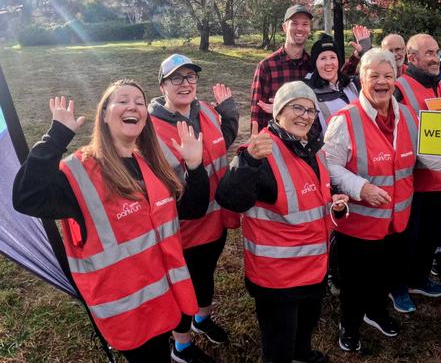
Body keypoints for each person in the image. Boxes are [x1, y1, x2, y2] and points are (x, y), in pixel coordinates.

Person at [12, 80, 209, 362]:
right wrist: (56, 137)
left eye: (140, 102)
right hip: (129, 316)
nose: (133, 106)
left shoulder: (150, 162)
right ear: (104, 114)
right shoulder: (79, 173)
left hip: (166, 302)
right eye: (123, 100)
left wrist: (195, 168)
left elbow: (192, 209)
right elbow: (24, 197)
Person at [323, 48, 441, 351]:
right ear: (361, 79)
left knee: (385, 274)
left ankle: (376, 312)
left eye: (388, 76)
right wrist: (361, 188)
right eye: (375, 76)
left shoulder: (406, 115)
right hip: (359, 223)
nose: (382, 82)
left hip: (397, 219)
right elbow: (329, 167)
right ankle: (350, 324)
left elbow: (427, 156)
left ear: (396, 79)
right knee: (356, 280)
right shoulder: (344, 120)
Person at [216, 81, 347, 363]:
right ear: (277, 113)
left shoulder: (311, 146)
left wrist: (332, 204)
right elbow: (229, 198)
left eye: (310, 110)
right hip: (278, 279)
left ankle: (302, 353)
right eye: (296, 107)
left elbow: (308, 199)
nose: (305, 115)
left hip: (313, 268)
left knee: (305, 325)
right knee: (278, 346)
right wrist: (248, 160)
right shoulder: (262, 150)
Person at [149, 54, 239, 363]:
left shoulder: (207, 112)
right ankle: (181, 348)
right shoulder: (151, 130)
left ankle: (201, 321)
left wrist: (229, 115)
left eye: (190, 77)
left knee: (205, 276)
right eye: (177, 78)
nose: (185, 84)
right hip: (182, 228)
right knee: (183, 288)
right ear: (163, 85)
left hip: (213, 221)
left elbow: (221, 143)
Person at [390, 33, 441, 312]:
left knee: (432, 235)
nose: (435, 58)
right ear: (412, 58)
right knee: (407, 239)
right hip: (412, 182)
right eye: (429, 53)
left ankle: (419, 278)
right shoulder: (399, 88)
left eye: (436, 52)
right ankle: (397, 286)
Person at [250, 4, 368, 129]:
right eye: (294, 23)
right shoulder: (267, 67)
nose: (300, 28)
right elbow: (257, 116)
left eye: (305, 24)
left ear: (309, 29)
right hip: (278, 142)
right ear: (284, 27)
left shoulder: (312, 64)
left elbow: (336, 77)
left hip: (308, 142)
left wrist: (357, 55)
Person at [306, 34, 360, 136]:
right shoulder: (309, 95)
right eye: (323, 58)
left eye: (332, 57)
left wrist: (366, 51)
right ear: (315, 63)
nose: (328, 63)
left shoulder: (353, 85)